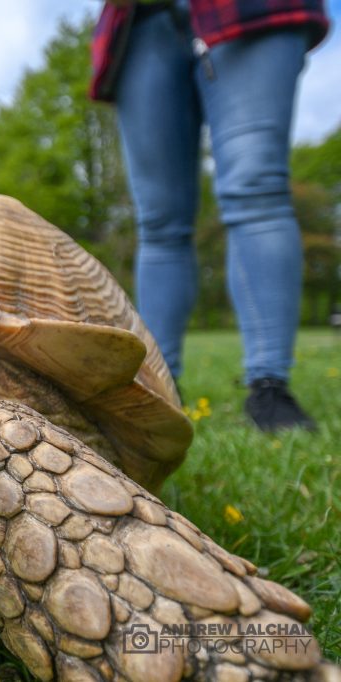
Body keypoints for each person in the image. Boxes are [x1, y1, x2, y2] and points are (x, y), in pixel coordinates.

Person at [90, 0, 329, 432]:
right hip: (139, 20)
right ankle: (160, 388)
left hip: (249, 9)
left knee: (257, 189)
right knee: (158, 222)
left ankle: (270, 386)